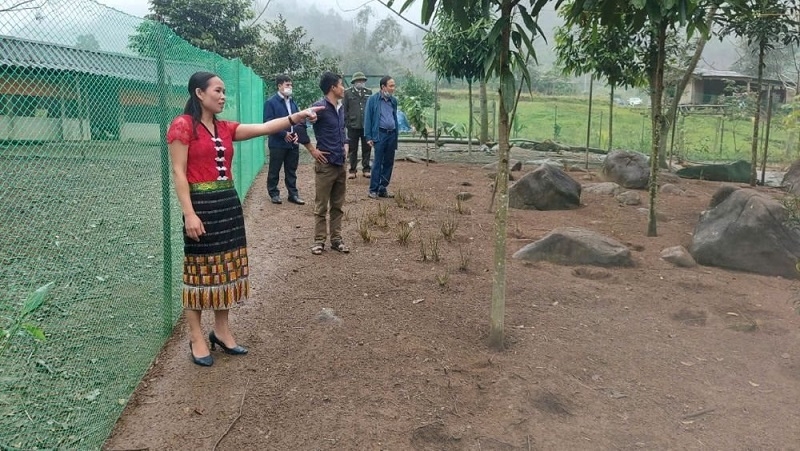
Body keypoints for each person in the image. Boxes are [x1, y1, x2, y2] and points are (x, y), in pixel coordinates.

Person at [167, 71, 320, 366]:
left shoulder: (225, 128)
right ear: (199, 93)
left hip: (228, 205)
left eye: (224, 92)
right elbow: (178, 172)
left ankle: (222, 332)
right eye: (218, 91)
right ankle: (197, 337)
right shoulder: (183, 125)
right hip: (201, 207)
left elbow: (264, 128)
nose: (223, 96)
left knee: (226, 269)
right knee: (198, 274)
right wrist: (189, 214)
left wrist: (297, 116)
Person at [308, 71, 349, 255]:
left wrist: (346, 145)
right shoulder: (319, 108)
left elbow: (342, 130)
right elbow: (300, 125)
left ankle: (336, 240)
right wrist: (313, 150)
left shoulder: (340, 108)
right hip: (325, 166)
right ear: (332, 87)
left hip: (340, 164)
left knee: (338, 205)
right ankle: (318, 241)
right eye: (341, 84)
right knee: (321, 206)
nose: (343, 88)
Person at [263, 74, 315, 205]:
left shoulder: (292, 102)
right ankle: (274, 193)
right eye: (287, 85)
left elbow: (299, 120)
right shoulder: (271, 102)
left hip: (293, 142)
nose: (290, 87)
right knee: (275, 169)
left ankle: (293, 194)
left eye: (291, 85)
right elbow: (268, 122)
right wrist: (283, 133)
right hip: (277, 142)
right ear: (279, 86)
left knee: (291, 169)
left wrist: (296, 133)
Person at [364, 75, 399, 199]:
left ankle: (382, 188)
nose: (393, 88)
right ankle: (373, 189)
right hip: (380, 134)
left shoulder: (393, 101)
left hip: (391, 135)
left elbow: (394, 117)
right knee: (378, 162)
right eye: (391, 86)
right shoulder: (373, 100)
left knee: (389, 162)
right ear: (383, 87)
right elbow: (368, 118)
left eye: (393, 86)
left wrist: (396, 134)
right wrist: (368, 136)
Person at [343, 71, 372, 179]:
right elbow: (344, 109)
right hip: (352, 126)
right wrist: (347, 123)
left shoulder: (368, 92)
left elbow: (371, 108)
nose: (360, 82)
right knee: (352, 149)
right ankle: (352, 170)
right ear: (354, 82)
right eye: (358, 80)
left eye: (362, 80)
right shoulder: (347, 93)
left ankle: (366, 169)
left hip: (366, 126)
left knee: (367, 148)